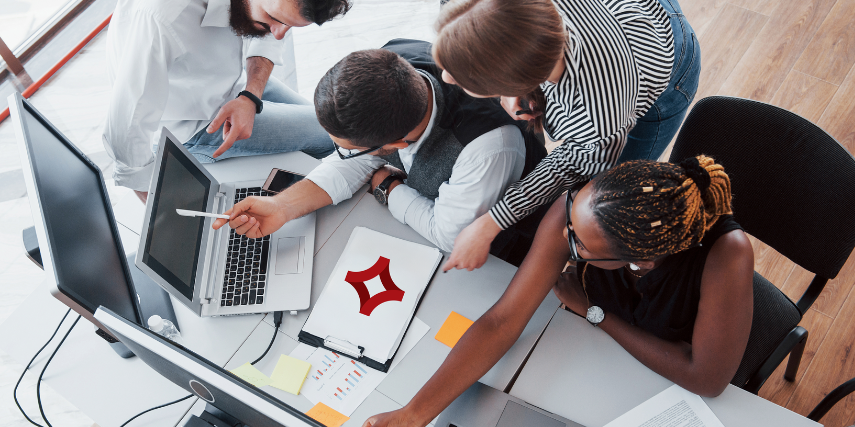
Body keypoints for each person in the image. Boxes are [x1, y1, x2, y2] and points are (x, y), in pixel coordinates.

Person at [364, 155, 754, 426]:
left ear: (639, 259)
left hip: (663, 376)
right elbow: (502, 320)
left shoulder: (727, 255)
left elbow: (706, 378)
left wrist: (594, 313)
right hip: (590, 356)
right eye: (570, 224)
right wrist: (413, 414)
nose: (562, 237)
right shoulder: (582, 208)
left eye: (579, 246)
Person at [213, 39, 546, 263]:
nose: (341, 153)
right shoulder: (389, 65)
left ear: (397, 145)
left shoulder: (487, 147)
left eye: (349, 149)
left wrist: (388, 188)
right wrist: (282, 206)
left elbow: (449, 235)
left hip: (508, 247)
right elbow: (357, 162)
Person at [434, 0, 702, 271]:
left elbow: (567, 167)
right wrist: (521, 83)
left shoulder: (597, 119)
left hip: (666, 61)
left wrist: (489, 223)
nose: (445, 77)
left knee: (611, 205)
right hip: (633, 11)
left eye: (460, 78)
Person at [102, 0, 351, 202]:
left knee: (337, 126)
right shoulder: (160, 16)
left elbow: (267, 34)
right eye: (273, 19)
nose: (278, 34)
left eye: (289, 25)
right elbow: (125, 124)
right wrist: (157, 204)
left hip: (233, 82)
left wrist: (250, 95)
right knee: (336, 134)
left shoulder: (268, 7)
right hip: (194, 123)